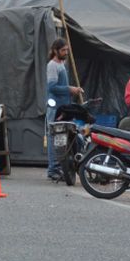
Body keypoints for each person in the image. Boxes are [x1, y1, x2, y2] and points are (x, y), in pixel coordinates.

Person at [45, 38, 83, 181]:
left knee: (69, 137)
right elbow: (52, 87)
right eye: (63, 50)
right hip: (55, 109)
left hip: (64, 107)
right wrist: (69, 89)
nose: (66, 52)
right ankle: (53, 169)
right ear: (56, 51)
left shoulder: (62, 64)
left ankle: (64, 167)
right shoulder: (52, 66)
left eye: (67, 50)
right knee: (54, 138)